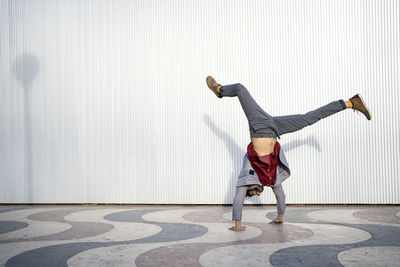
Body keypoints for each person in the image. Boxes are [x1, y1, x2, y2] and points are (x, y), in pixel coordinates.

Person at [206, 76, 371, 231]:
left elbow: (238, 199)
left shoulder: (247, 176)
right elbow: (280, 195)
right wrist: (280, 217)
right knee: (309, 119)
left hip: (260, 125)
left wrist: (237, 224)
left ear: (251, 187)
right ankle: (349, 103)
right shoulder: (271, 177)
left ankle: (219, 90)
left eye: (254, 193)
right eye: (258, 193)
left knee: (240, 89)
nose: (258, 193)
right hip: (275, 127)